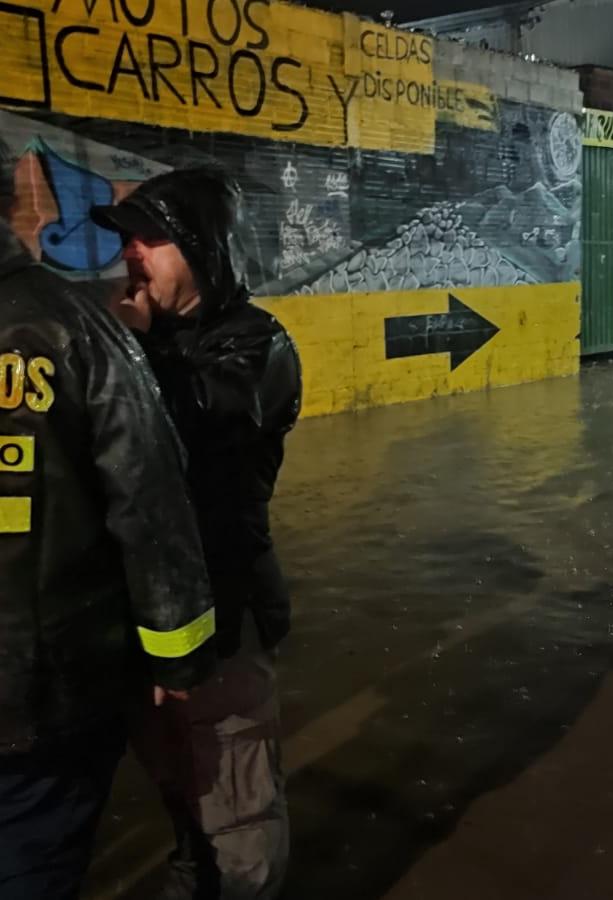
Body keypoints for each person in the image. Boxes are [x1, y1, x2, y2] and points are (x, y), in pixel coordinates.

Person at [0, 142, 215, 898]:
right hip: (44, 695)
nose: (127, 252)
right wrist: (177, 661)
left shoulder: (240, 346)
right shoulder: (79, 331)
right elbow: (150, 507)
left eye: (146, 237)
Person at [91, 168, 302, 899]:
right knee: (180, 793)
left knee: (238, 806)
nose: (133, 253)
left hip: (225, 612)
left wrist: (133, 350)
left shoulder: (259, 343)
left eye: (152, 238)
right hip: (150, 625)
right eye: (128, 239)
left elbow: (199, 422)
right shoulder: (137, 343)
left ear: (204, 250)